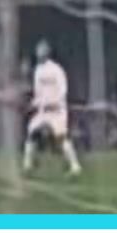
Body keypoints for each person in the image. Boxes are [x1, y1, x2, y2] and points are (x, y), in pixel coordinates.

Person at [22, 41, 81, 176]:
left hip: (57, 111)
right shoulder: (38, 70)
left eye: (42, 51)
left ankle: (75, 166)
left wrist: (55, 102)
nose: (39, 54)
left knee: (61, 137)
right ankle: (27, 166)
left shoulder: (56, 69)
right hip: (43, 111)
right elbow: (38, 92)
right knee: (32, 133)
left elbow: (63, 89)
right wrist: (35, 104)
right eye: (38, 51)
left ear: (47, 53)